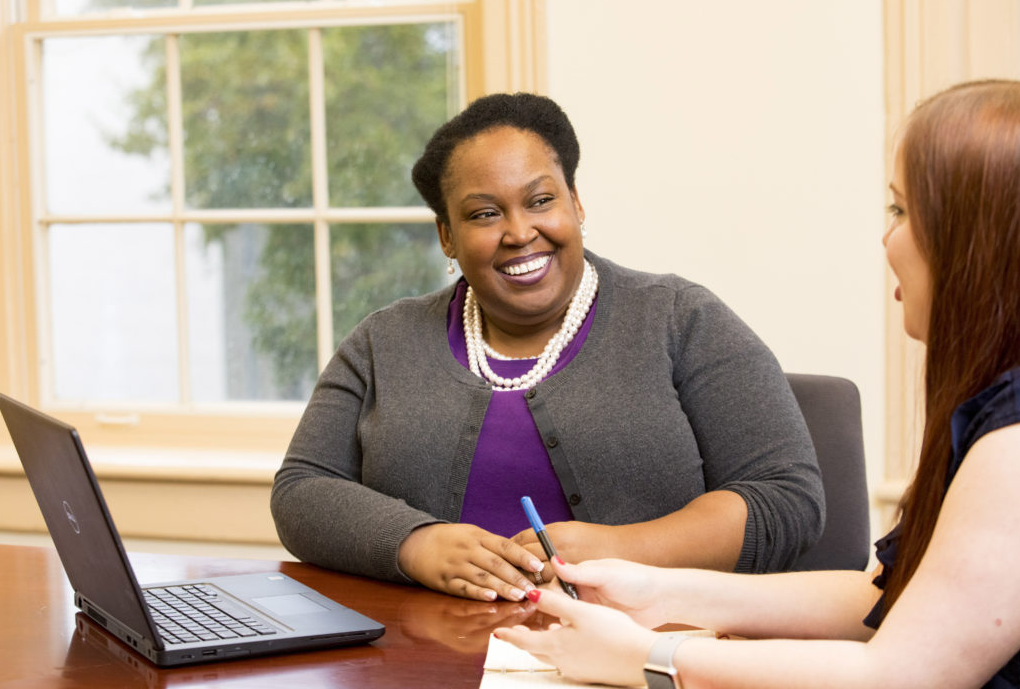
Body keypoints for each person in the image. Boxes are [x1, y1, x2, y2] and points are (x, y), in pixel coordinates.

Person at [495, 80, 1020, 687]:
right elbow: (886, 599)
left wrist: (649, 662)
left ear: (978, 240)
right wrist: (659, 593)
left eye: (901, 211)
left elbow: (900, 675)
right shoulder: (1015, 401)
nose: (886, 238)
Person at [271, 92, 825, 604]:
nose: (519, 232)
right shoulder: (382, 342)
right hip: (432, 654)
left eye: (540, 200)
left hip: (637, 651)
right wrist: (416, 543)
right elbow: (302, 491)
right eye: (485, 213)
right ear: (446, 236)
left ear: (576, 203)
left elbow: (787, 499)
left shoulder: (681, 319)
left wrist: (622, 549)